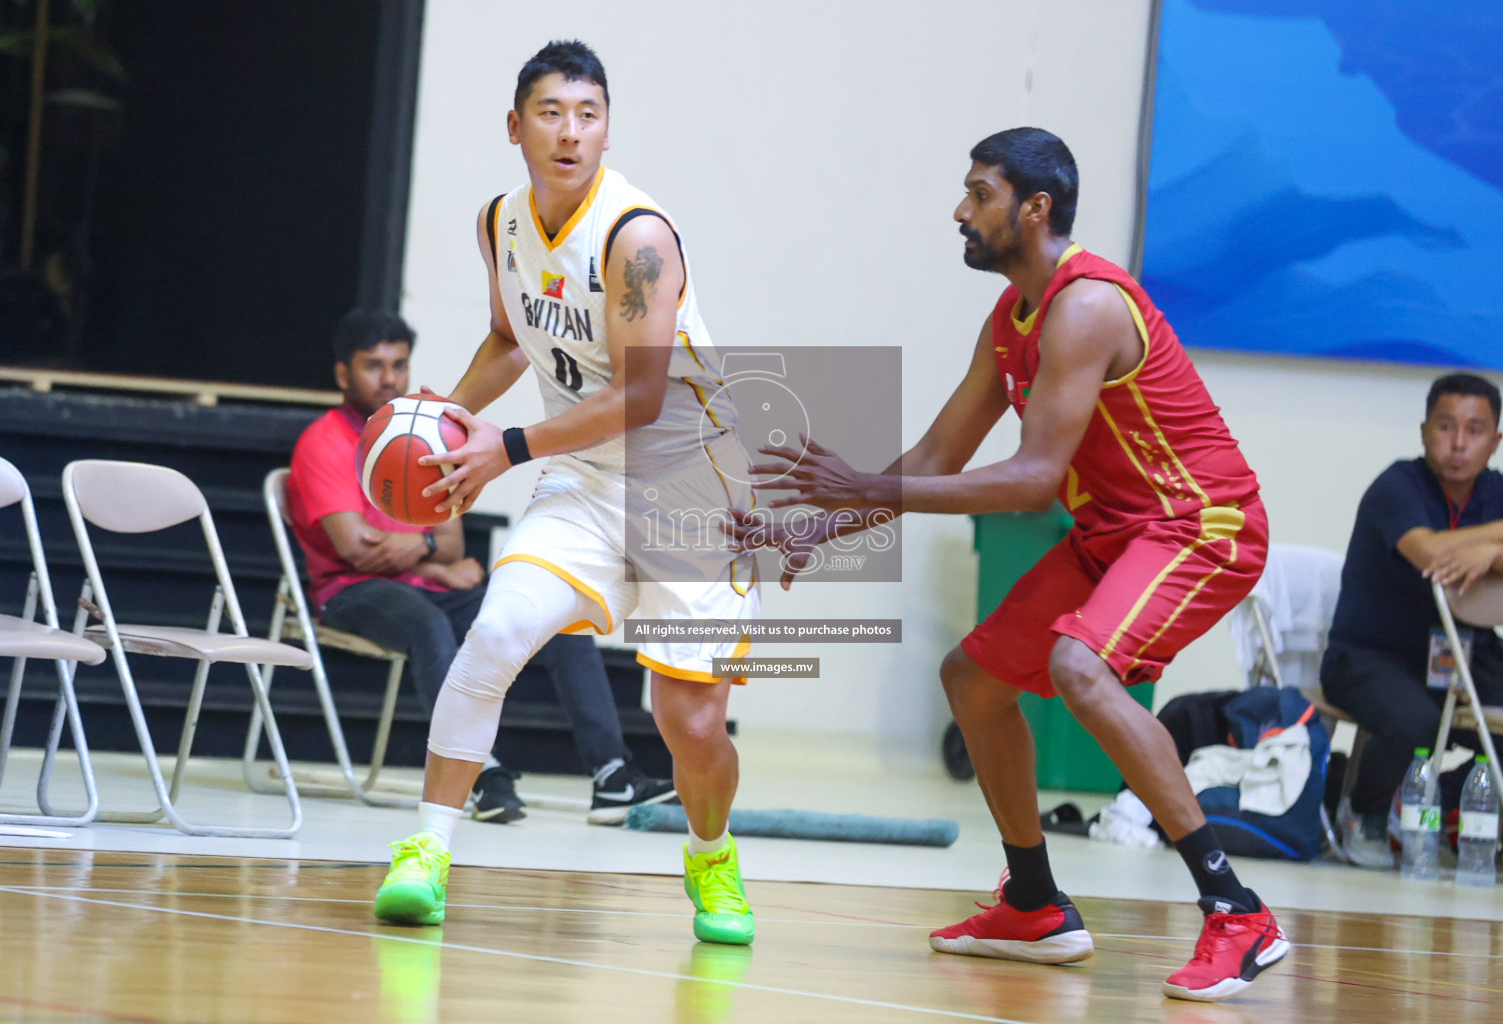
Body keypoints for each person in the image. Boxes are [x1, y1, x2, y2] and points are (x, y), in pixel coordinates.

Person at [740, 128, 1286, 1002]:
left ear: (1035, 209)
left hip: (1201, 524)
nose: (961, 211)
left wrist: (866, 487)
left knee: (1080, 663)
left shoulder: (1087, 306)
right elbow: (938, 455)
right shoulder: (1011, 319)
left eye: (979, 193)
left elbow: (1033, 482)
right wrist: (829, 516)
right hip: (1115, 531)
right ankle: (1032, 903)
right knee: (974, 678)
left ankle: (1237, 909)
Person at [371, 42, 759, 945]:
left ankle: (713, 854)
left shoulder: (638, 239)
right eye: (551, 113)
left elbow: (642, 396)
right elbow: (512, 335)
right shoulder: (500, 224)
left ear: (607, 127)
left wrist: (503, 446)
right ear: (517, 127)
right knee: (498, 630)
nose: (570, 132)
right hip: (585, 478)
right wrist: (446, 414)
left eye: (588, 114)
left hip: (691, 482)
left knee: (686, 721)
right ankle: (427, 851)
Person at [287, 308, 676, 825]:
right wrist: (436, 559)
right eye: (373, 366)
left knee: (559, 615)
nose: (389, 379)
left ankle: (613, 775)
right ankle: (479, 774)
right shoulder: (323, 441)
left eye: (399, 366)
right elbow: (358, 548)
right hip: (351, 592)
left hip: (423, 584)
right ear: (343, 374)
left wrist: (429, 553)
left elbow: (449, 539)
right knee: (426, 622)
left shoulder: (427, 431)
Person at [1321, 372, 1503, 868]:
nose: (1459, 443)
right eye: (1446, 427)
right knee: (1417, 721)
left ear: (1496, 441)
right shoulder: (1396, 486)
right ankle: (1365, 813)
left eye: (1475, 430)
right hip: (1369, 656)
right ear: (1423, 432)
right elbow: (1430, 553)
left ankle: (1434, 800)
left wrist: (1488, 555)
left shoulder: (1498, 489)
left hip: (1463, 654)